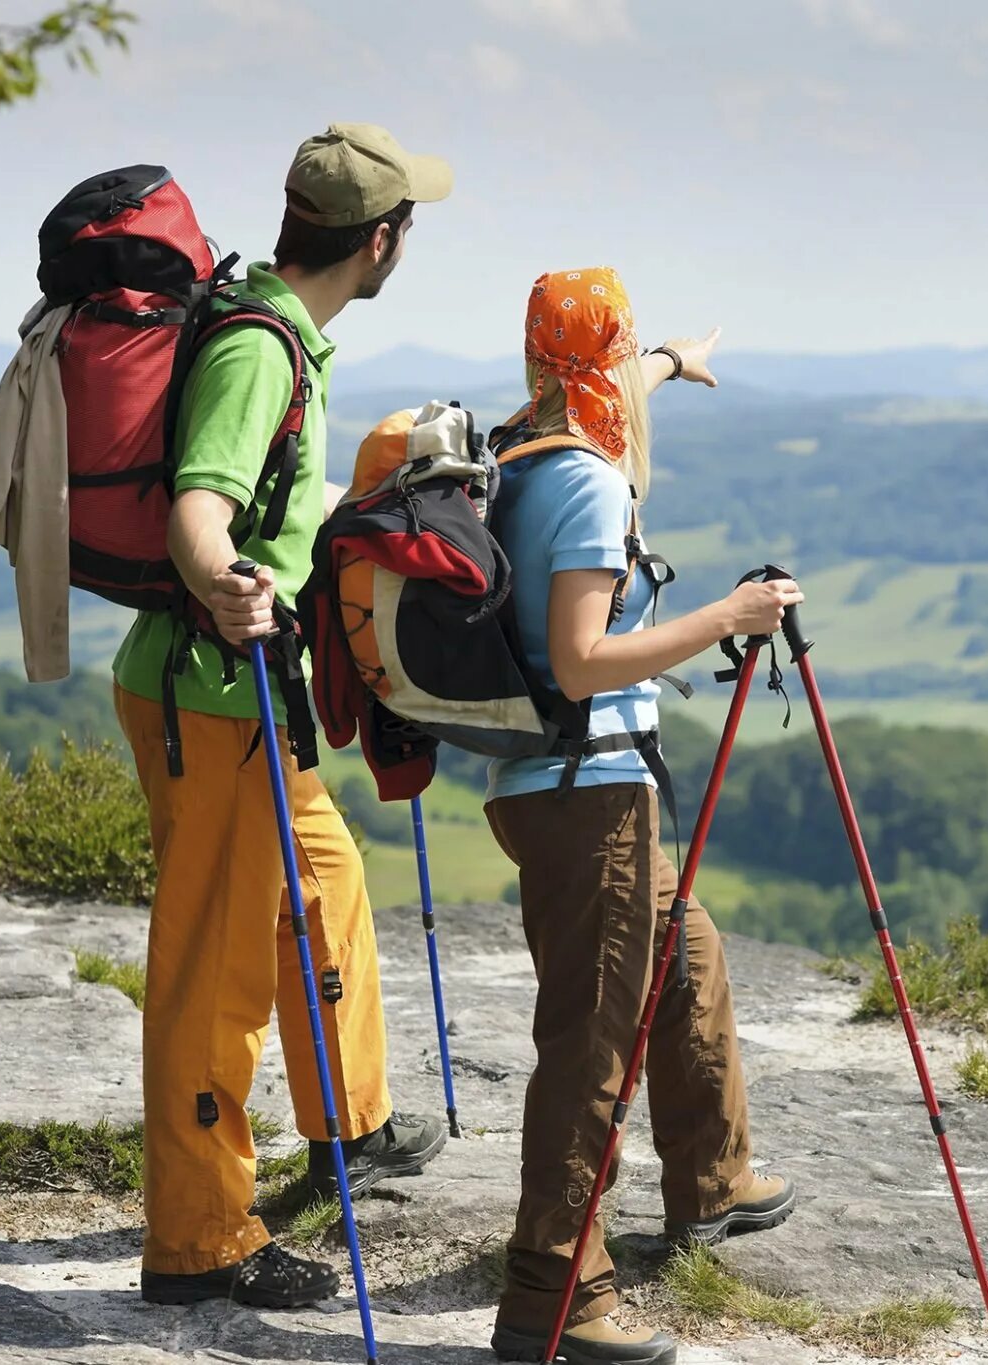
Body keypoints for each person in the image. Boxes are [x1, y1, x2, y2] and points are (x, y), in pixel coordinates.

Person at [109, 123, 453, 1310]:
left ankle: (347, 1125)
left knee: (325, 883)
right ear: (380, 242)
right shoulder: (259, 350)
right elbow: (199, 506)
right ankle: (199, 1240)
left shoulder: (277, 324)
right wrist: (227, 582)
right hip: (211, 696)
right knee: (214, 967)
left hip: (247, 695)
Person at [483, 268, 804, 1365]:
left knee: (687, 947)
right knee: (588, 1047)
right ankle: (553, 1298)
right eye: (625, 357)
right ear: (597, 363)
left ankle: (710, 1184)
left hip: (550, 787)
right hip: (587, 793)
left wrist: (671, 358)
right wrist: (730, 613)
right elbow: (579, 660)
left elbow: (610, 387)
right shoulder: (583, 485)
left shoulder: (522, 442)